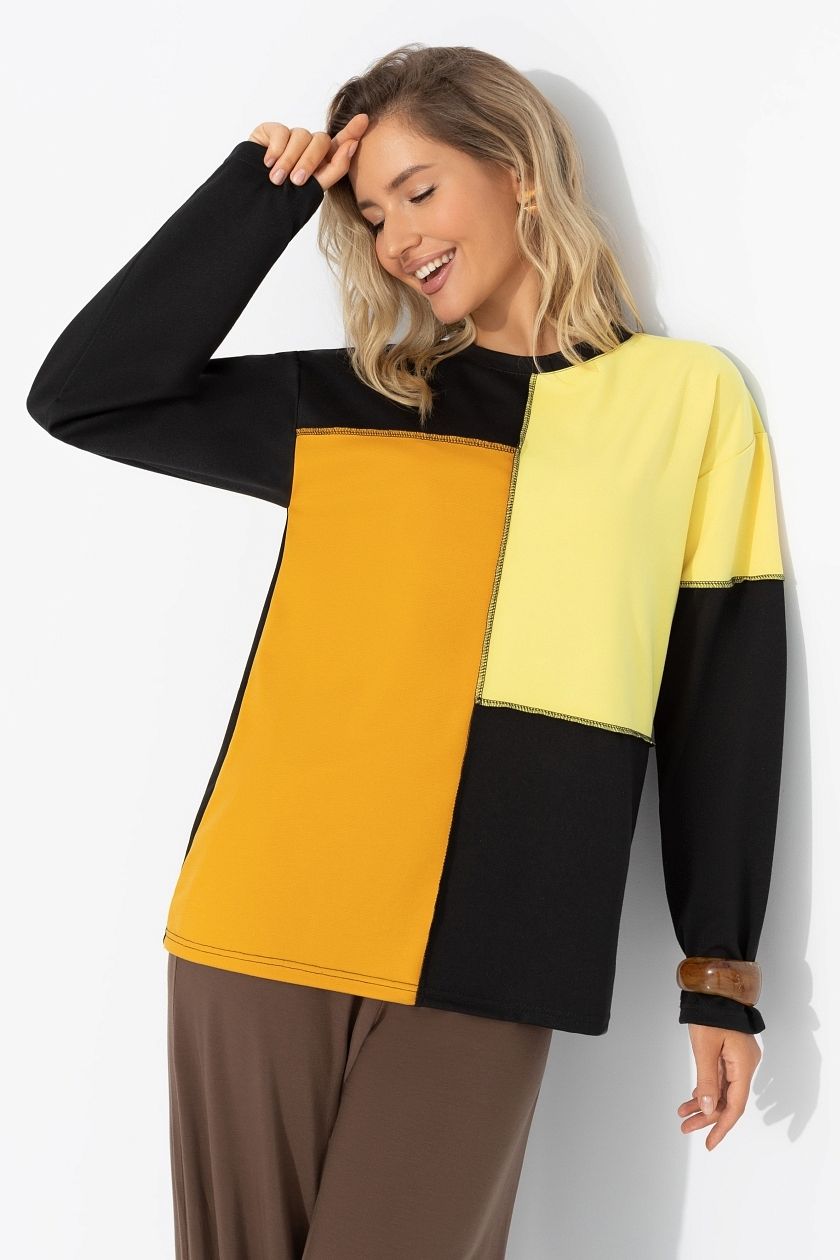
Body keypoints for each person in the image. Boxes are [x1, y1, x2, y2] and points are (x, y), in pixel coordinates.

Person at [26, 41, 786, 1260]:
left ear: (518, 168)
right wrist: (259, 197)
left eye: (419, 191)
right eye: (372, 217)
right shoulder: (363, 401)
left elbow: (721, 695)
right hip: (266, 913)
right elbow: (86, 396)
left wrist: (721, 971)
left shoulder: (687, 402)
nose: (397, 242)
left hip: (499, 936)